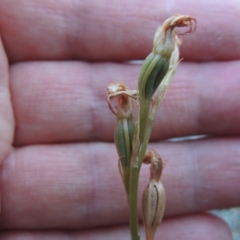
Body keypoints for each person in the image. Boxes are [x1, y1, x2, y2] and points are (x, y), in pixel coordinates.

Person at [0, 1, 239, 239]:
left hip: (153, 77)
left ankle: (149, 235)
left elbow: (146, 97)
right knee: (131, 168)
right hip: (139, 103)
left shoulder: (156, 67)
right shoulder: (138, 97)